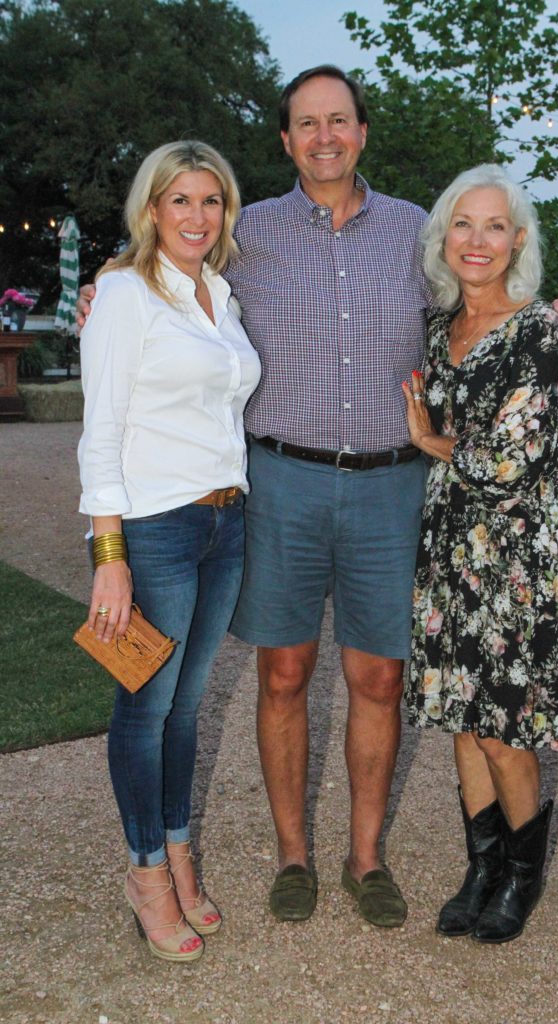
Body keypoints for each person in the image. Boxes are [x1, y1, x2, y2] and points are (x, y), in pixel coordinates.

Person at [78, 66, 558, 930]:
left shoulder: (414, 233)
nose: (323, 136)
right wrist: (104, 287)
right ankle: (292, 857)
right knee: (282, 673)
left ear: (360, 132)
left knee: (379, 678)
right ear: (285, 140)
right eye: (305, 123)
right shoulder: (249, 234)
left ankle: (365, 858)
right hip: (276, 481)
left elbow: (482, 294)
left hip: (393, 485)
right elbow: (168, 263)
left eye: (338, 121)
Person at [77, 140, 260, 962]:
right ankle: (146, 871)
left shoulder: (218, 292)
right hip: (153, 529)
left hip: (226, 522)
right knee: (144, 708)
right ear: (151, 209)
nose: (196, 216)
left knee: (186, 708)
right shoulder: (123, 293)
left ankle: (179, 853)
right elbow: (102, 430)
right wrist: (106, 552)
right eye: (179, 200)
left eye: (210, 201)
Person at [402, 163, 558, 944]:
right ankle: (481, 865)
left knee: (504, 727)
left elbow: (512, 464)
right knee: (459, 718)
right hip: (449, 549)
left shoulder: (539, 330)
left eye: (494, 226)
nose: (477, 240)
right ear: (445, 236)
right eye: (463, 224)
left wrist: (427, 440)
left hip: (516, 559)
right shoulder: (441, 329)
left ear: (518, 241)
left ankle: (521, 877)